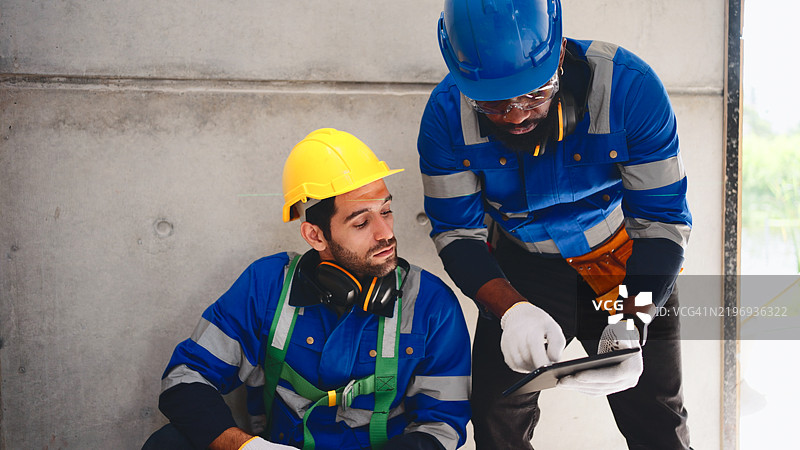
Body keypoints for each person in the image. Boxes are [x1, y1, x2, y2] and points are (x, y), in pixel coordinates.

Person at [417, 0, 692, 449]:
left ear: (559, 53)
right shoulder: (446, 116)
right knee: (495, 412)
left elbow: (661, 222)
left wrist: (630, 320)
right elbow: (456, 233)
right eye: (493, 104)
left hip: (623, 263)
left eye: (534, 94)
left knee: (656, 417)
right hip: (523, 266)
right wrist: (512, 311)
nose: (517, 115)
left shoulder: (631, 88)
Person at [143, 128, 471, 450]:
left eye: (386, 211)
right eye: (361, 222)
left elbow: (441, 427)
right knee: (169, 443)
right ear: (315, 236)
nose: (385, 233)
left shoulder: (431, 304)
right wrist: (248, 447)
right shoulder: (266, 284)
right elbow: (185, 378)